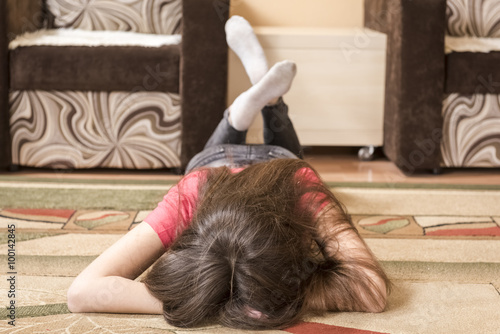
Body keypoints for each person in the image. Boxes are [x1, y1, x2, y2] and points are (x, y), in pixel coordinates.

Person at [67, 16, 390, 330]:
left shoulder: (287, 189)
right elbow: (369, 288)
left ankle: (253, 108)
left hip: (248, 165)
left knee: (287, 160)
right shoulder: (283, 192)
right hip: (233, 167)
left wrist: (205, 296)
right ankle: (264, 104)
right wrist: (252, 293)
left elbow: (83, 292)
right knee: (286, 160)